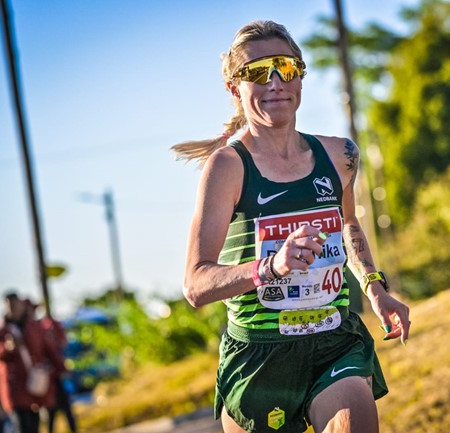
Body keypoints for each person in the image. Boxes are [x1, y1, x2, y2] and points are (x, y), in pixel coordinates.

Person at [172, 20, 410, 433]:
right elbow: (195, 284)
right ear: (234, 87)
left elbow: (348, 225)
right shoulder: (228, 167)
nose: (275, 82)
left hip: (333, 338)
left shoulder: (340, 155)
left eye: (285, 67)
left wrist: (374, 286)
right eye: (257, 72)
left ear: (301, 74)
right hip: (260, 355)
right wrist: (271, 267)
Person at [0, 292, 65, 433]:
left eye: (15, 304)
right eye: (10, 305)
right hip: (14, 387)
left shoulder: (34, 326)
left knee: (34, 426)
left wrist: (61, 368)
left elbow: (49, 349)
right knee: (22, 426)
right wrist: (6, 348)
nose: (13, 308)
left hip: (35, 385)